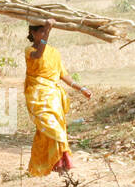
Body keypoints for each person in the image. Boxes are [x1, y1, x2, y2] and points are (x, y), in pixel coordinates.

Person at [23, 21, 91, 176]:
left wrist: (81, 88)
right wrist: (48, 30)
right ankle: (59, 165)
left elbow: (63, 75)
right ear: (33, 33)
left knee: (52, 130)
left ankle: (60, 165)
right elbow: (39, 54)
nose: (43, 34)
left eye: (44, 32)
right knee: (51, 128)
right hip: (37, 95)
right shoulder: (29, 50)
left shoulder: (54, 52)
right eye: (40, 32)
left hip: (53, 96)